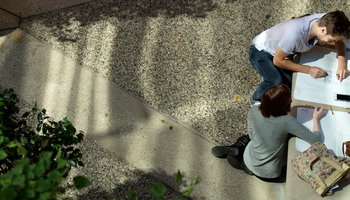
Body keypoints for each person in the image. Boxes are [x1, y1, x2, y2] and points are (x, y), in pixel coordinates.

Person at [212, 84, 324, 179]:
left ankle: (239, 148)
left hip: (250, 157)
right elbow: (315, 139)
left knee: (251, 136)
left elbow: (251, 136)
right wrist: (315, 118)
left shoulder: (253, 111)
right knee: (287, 140)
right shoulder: (287, 121)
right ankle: (246, 164)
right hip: (272, 172)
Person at [250, 10, 350, 103]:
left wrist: (342, 65)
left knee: (290, 88)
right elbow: (277, 61)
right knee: (276, 80)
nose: (332, 43)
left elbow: (339, 42)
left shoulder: (325, 21)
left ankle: (270, 73)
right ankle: (256, 99)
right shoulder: (294, 35)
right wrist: (309, 69)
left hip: (283, 52)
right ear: (323, 30)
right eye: (331, 40)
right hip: (261, 51)